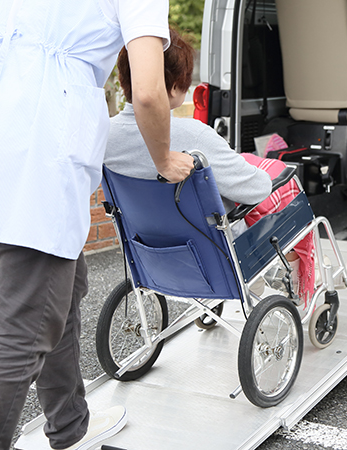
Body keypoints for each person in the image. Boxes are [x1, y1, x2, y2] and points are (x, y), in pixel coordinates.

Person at [0, 0, 195, 449]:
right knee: (22, 328)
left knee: (63, 287)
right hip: (38, 139)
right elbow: (148, 89)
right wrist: (163, 158)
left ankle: (69, 424)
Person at [104, 29, 317, 306]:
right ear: (170, 86)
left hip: (150, 255)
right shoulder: (193, 135)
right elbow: (255, 189)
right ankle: (298, 276)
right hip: (214, 257)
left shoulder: (104, 135)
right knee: (287, 195)